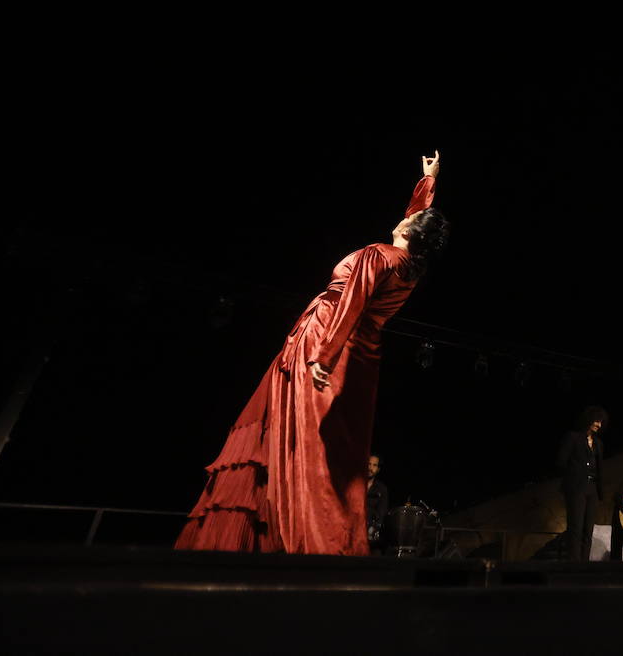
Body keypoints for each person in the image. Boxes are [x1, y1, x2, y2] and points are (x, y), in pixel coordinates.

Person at [175, 152, 449, 555]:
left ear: (410, 230)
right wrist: (428, 182)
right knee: (333, 447)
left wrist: (323, 355)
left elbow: (348, 305)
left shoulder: (379, 255)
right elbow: (417, 218)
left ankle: (298, 538)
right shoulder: (410, 266)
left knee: (304, 439)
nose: (403, 217)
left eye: (409, 218)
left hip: (328, 341)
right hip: (361, 356)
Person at [556, 406, 607, 561]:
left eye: (601, 422)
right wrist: (576, 474)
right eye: (596, 421)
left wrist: (599, 490)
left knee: (588, 530)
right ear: (588, 420)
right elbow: (560, 462)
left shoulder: (598, 443)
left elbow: (599, 467)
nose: (599, 425)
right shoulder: (573, 437)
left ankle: (584, 564)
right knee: (576, 528)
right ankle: (574, 564)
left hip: (592, 488)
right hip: (576, 487)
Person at [366, 454, 390, 552]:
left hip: (371, 533)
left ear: (378, 469)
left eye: (374, 465)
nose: (370, 467)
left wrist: (373, 529)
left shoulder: (382, 489)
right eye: (369, 464)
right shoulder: (357, 484)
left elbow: (382, 513)